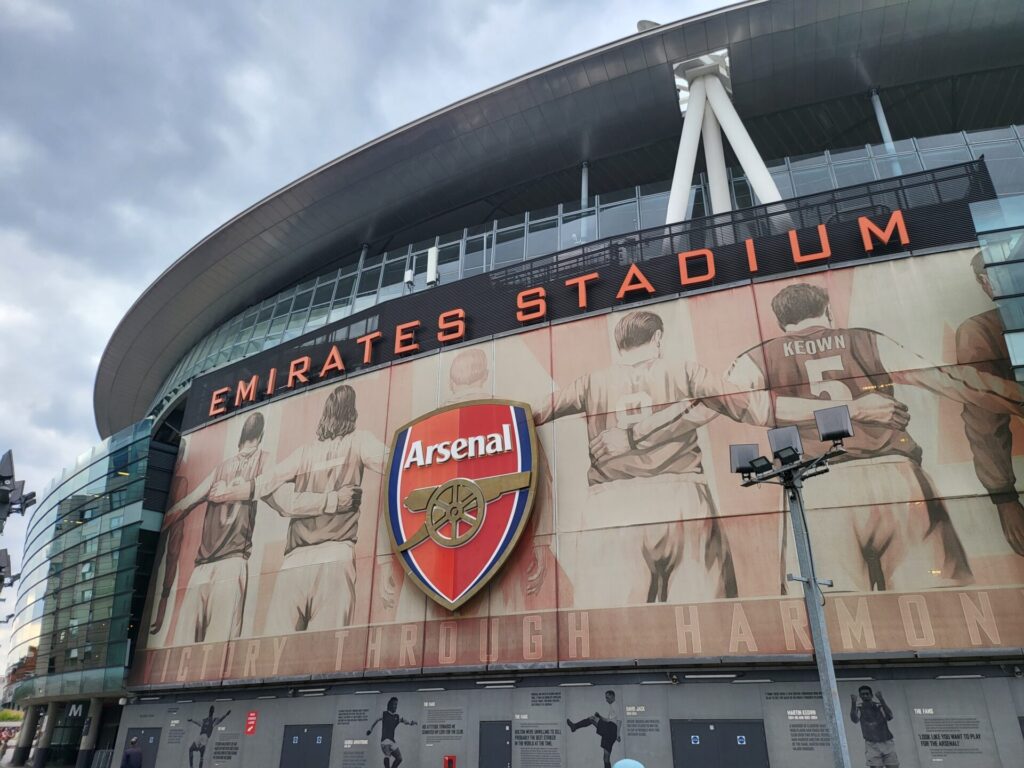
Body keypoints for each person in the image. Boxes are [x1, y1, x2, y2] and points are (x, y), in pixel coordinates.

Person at [618, 283, 1024, 592]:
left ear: (781, 323)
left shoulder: (760, 355)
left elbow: (712, 405)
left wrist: (639, 434)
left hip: (816, 484)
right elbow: (949, 379)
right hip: (898, 479)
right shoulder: (865, 339)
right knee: (938, 598)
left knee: (829, 606)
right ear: (827, 310)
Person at [535, 309, 775, 605]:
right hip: (680, 493)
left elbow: (536, 412)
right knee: (704, 617)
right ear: (657, 338)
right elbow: (749, 406)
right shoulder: (685, 371)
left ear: (619, 344)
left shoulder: (590, 383)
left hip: (610, 503)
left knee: (611, 625)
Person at [253, 384, 383, 633]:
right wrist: (332, 500)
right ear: (352, 413)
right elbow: (398, 460)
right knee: (325, 650)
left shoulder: (304, 454)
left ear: (325, 414)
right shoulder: (360, 442)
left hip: (295, 559)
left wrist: (299, 503)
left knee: (275, 651)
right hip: (336, 552)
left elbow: (264, 486)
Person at [157, 413, 269, 644]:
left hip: (203, 569)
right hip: (232, 562)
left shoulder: (220, 469)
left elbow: (185, 505)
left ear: (241, 438)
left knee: (185, 649)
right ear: (260, 437)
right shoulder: (264, 462)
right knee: (220, 651)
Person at [956, 251, 1024, 555]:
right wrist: (1004, 497)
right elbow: (983, 415)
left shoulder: (982, 329)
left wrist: (1004, 497)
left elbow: (983, 416)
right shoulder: (983, 330)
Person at [567, 689, 622, 768]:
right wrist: (600, 717)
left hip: (610, 729)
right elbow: (608, 720)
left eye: (608, 698)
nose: (606, 700)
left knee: (591, 719)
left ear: (613, 696)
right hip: (610, 732)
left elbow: (619, 720)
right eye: (606, 698)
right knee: (606, 758)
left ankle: (574, 726)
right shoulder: (612, 706)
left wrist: (618, 734)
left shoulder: (616, 705)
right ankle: (574, 727)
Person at [850, 686, 898, 767]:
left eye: (867, 694)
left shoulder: (879, 706)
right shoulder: (859, 708)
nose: (865, 696)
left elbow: (889, 716)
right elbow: (855, 719)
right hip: (871, 744)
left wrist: (881, 699)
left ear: (871, 695)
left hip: (887, 742)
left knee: (893, 766)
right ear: (860, 696)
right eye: (862, 694)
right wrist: (853, 702)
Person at [367, 697, 417, 768]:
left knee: (399, 758)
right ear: (390, 705)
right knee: (387, 755)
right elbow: (376, 720)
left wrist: (411, 723)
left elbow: (405, 722)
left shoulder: (397, 717)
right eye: (394, 704)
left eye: (396, 704)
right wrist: (370, 730)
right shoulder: (384, 714)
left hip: (392, 741)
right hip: (384, 740)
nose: (395, 706)